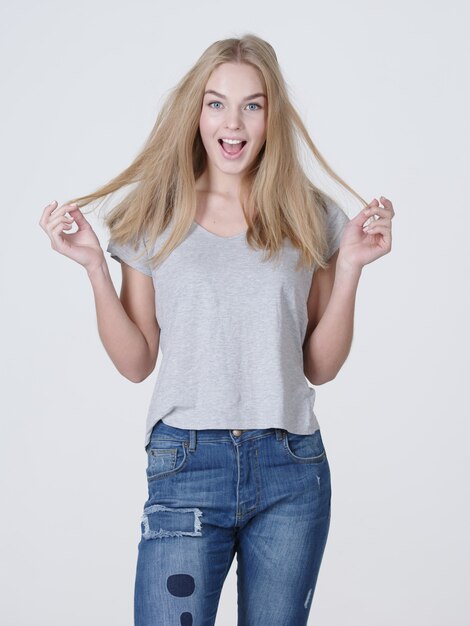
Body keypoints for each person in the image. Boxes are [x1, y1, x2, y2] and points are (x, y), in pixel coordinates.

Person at [39, 33, 394, 626]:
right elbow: (135, 361)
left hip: (291, 469)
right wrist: (95, 268)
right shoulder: (154, 214)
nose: (234, 123)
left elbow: (320, 366)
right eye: (216, 103)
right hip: (187, 464)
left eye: (252, 104)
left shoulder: (309, 214)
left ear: (272, 115)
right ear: (195, 111)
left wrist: (351, 265)